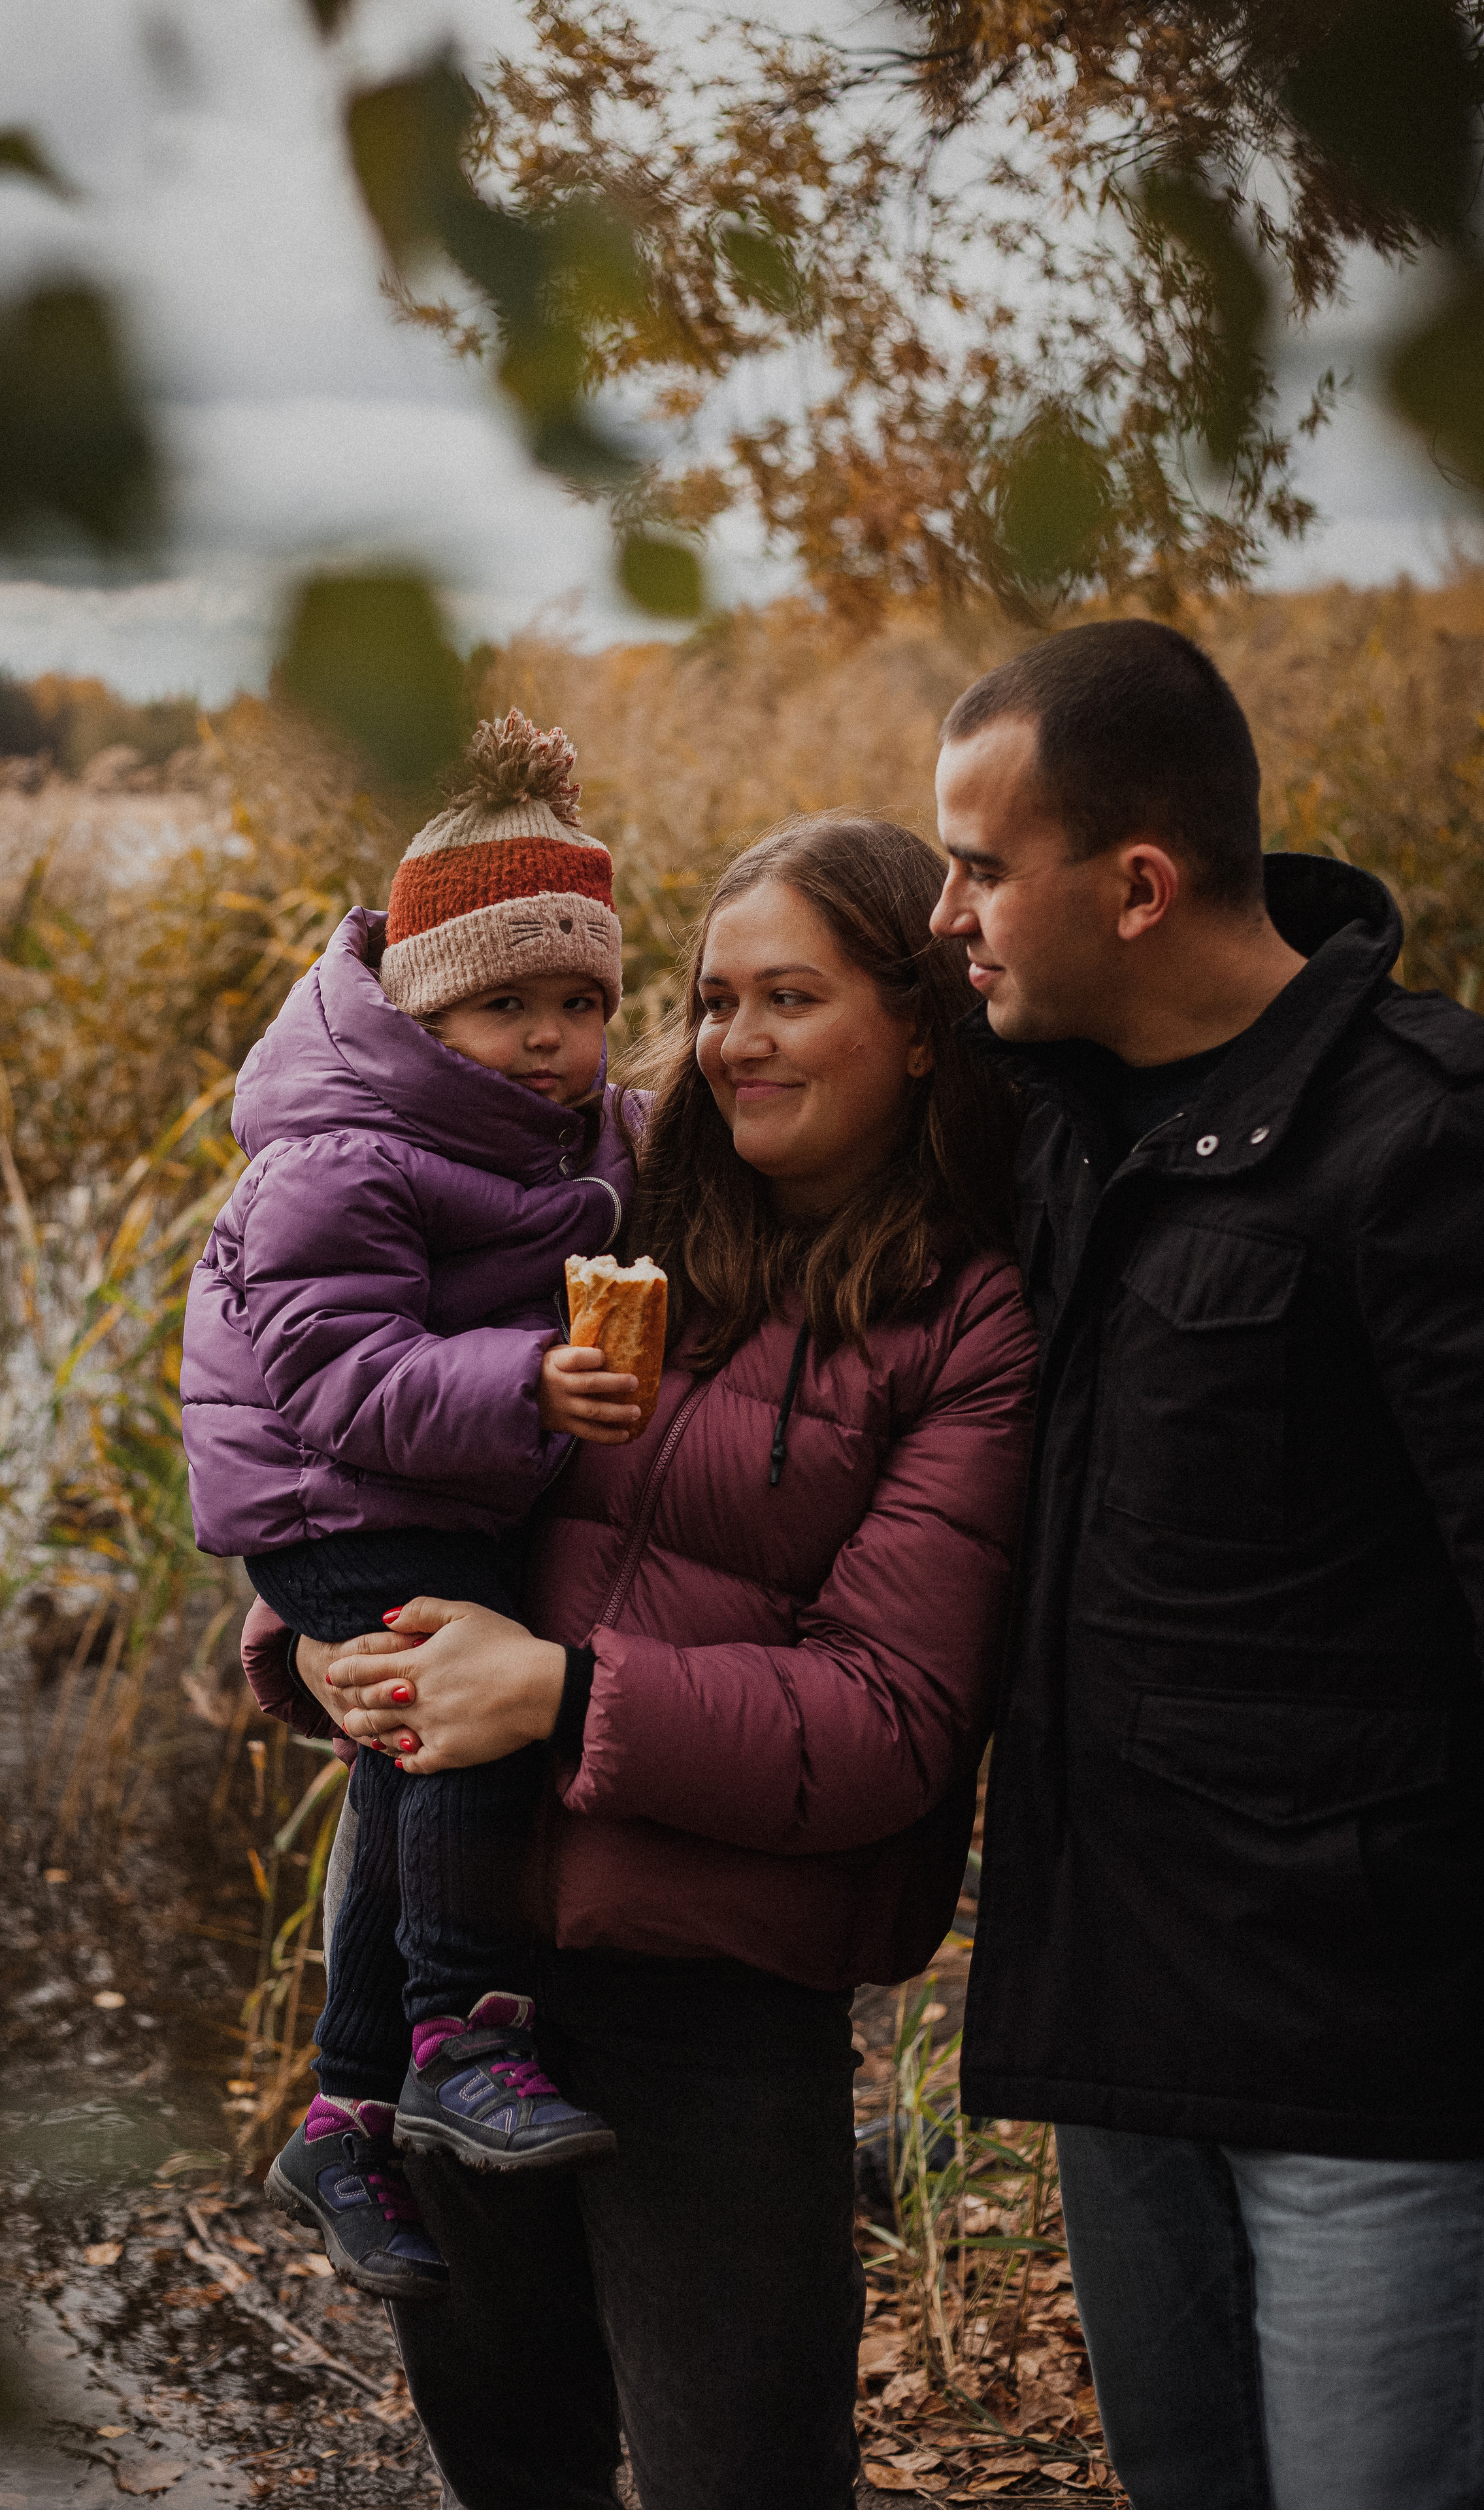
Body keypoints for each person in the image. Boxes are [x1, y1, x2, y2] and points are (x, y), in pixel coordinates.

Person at [240, 811, 1036, 2510]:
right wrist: (305, 1649)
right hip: (450, 1966)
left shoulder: (964, 1319)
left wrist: (566, 1695)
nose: (732, 1041)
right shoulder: (612, 1205)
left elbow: (889, 1723)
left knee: (737, 2471)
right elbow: (372, 1438)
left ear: (917, 1022)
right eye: (711, 997)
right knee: (506, 2465)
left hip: (710, 2002)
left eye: (789, 997)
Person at [929, 618, 1484, 2510]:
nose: (952, 917)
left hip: (1372, 2068)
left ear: (1141, 885)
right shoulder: (1058, 1129)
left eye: (985, 868)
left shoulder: (1424, 1140)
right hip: (1122, 2041)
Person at [181, 711, 647, 2304]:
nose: (548, 1039)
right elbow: (331, 1373)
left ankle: (347, 2110)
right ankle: (459, 2027)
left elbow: (630, 1159)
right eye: (505, 1002)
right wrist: (529, 1382)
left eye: (578, 1002)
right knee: (452, 1711)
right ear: (423, 1006)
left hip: (409, 1484)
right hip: (330, 1493)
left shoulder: (559, 1129)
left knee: (394, 1768)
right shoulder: (344, 1152)